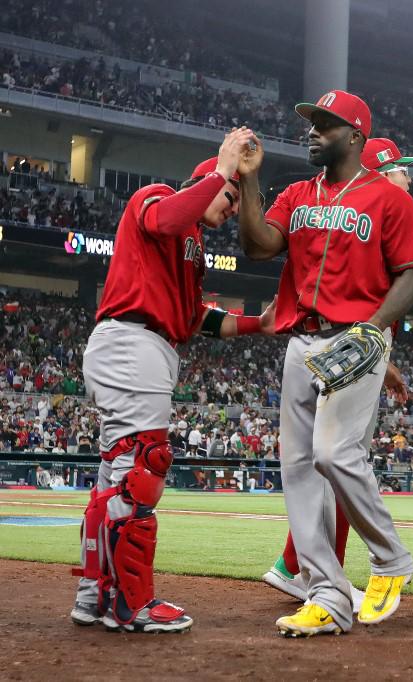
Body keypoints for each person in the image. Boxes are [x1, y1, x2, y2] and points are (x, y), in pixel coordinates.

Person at [260, 136, 413, 606]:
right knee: (338, 463)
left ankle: (301, 568)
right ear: (380, 172)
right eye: (402, 168)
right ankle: (318, 568)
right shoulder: (371, 209)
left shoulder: (373, 212)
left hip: (352, 345)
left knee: (332, 465)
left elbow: (375, 289)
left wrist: (384, 364)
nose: (409, 177)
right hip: (339, 342)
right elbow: (405, 275)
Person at [237, 90, 413, 636]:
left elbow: (412, 272)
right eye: (312, 123)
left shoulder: (390, 200)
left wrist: (374, 329)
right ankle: (326, 595)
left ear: (356, 136)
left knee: (333, 452)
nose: (313, 131)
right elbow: (258, 246)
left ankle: (390, 558)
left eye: (326, 124)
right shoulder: (297, 193)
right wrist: (250, 180)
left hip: (355, 338)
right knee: (298, 470)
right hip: (301, 340)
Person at [69, 128, 277, 633]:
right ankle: (132, 605)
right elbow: (163, 219)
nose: (233, 208)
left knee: (114, 477)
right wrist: (224, 168)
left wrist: (259, 324)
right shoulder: (158, 196)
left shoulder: (193, 243)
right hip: (132, 342)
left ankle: (95, 594)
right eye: (230, 197)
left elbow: (193, 318)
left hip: (142, 346)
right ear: (209, 180)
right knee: (143, 468)